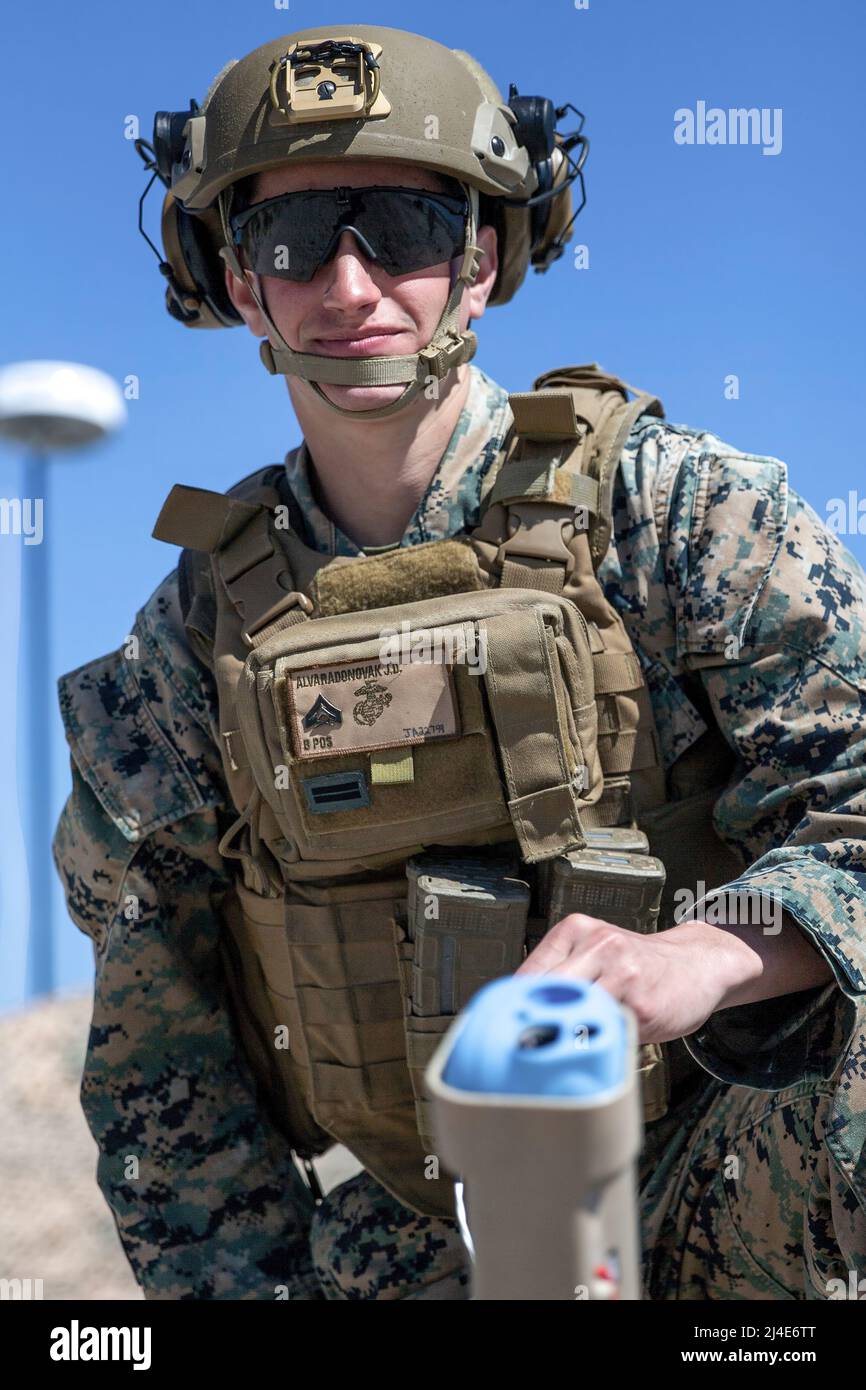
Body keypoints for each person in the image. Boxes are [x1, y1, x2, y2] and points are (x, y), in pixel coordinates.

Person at [53, 24, 866, 1301]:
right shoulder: (187, 647)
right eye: (294, 238)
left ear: (482, 260)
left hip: (729, 1180)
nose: (352, 283)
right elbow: (165, 1073)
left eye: (404, 227)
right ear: (232, 279)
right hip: (421, 1249)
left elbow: (856, 813)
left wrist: (701, 954)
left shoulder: (677, 516)